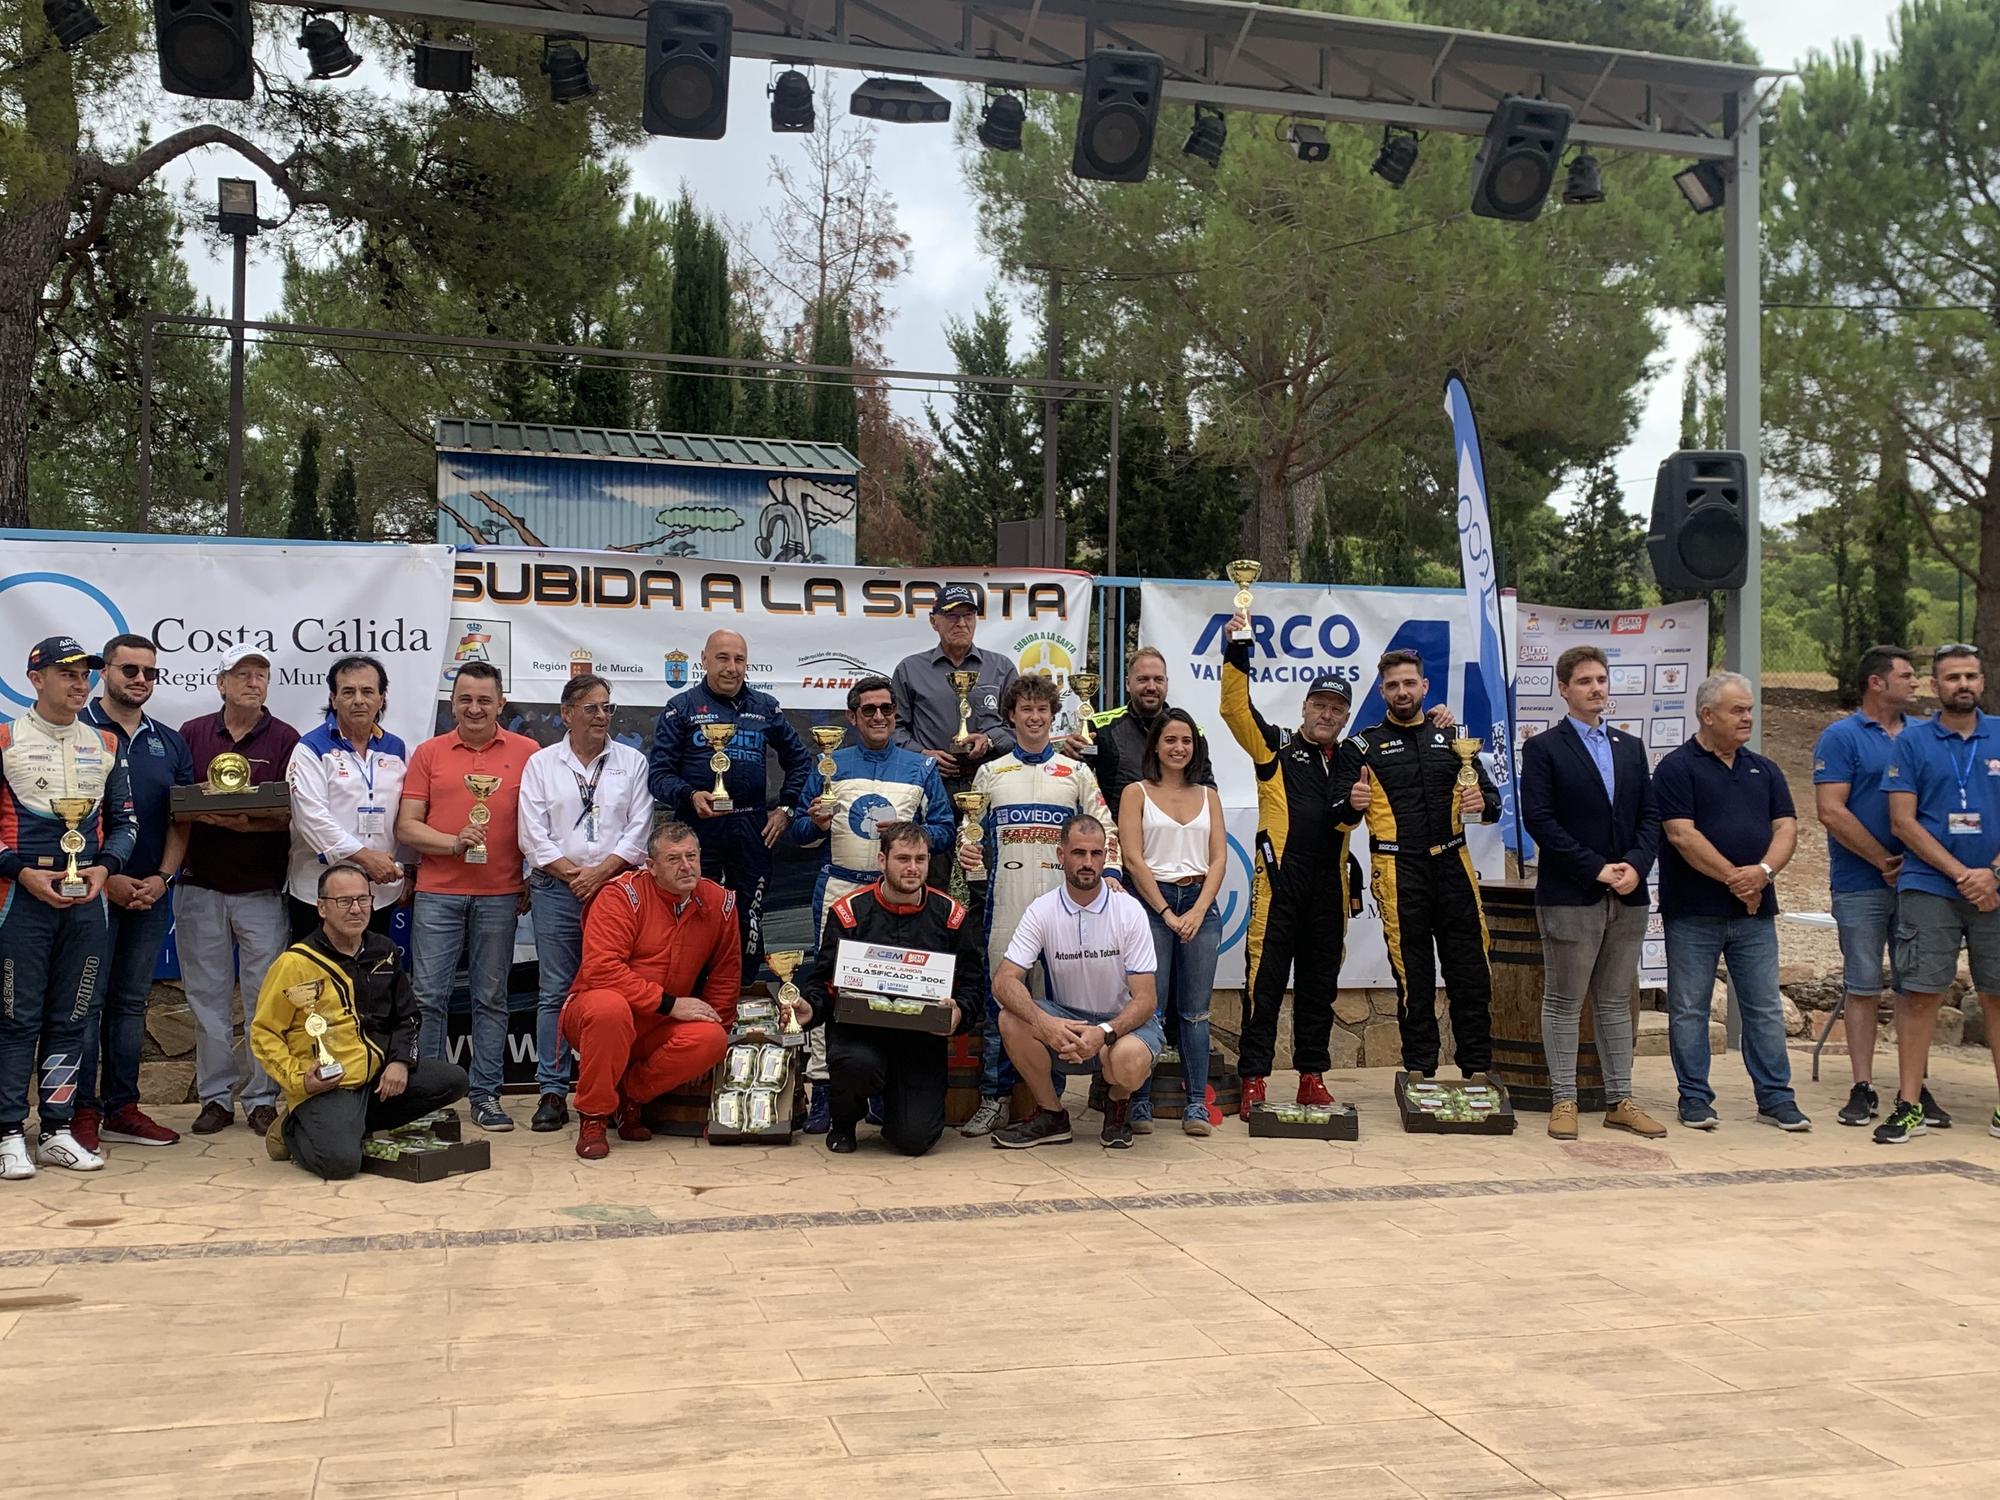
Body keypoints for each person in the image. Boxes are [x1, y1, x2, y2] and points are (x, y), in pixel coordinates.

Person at [788, 675, 954, 1132]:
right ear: (852, 716)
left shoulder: (920, 768)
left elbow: (944, 830)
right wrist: (816, 824)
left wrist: (906, 837)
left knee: (894, 987)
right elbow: (800, 831)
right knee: (826, 986)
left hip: (895, 896)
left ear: (896, 715)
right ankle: (824, 1088)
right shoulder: (829, 765)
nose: (879, 717)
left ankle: (885, 1087)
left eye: (886, 709)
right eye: (869, 710)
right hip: (840, 889)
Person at [958, 674, 1120, 1138]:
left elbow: (1104, 830)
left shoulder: (1077, 773)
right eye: (1025, 710)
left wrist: (1109, 876)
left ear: (1054, 716)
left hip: (1063, 911)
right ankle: (994, 1098)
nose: (1034, 718)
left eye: (1042, 710)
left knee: (1065, 1005)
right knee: (1000, 1006)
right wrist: (970, 857)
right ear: (1011, 715)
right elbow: (975, 835)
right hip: (1007, 907)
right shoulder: (992, 772)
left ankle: (1056, 1101)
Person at [0, 637, 138, 1179]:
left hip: (87, 902)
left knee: (73, 1019)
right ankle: (9, 1131)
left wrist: (102, 872)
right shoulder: (6, 737)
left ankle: (57, 1128)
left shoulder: (105, 744)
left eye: (86, 675)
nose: (80, 684)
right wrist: (23, 874)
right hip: (20, 900)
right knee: (15, 1019)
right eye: (67, 674)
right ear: (36, 679)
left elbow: (126, 824)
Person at [1330, 648, 1499, 1082]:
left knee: (1471, 972)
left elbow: (1492, 803)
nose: (1402, 692)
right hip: (1398, 870)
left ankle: (1477, 1070)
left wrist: (1481, 803)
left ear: (1424, 686)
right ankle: (1420, 1072)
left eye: (1409, 683)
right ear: (1382, 691)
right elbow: (1337, 818)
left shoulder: (1453, 736)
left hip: (1454, 864)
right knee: (1414, 978)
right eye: (1392, 685)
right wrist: (1352, 804)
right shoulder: (1360, 747)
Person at [1223, 616, 1370, 1117]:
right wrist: (1238, 649)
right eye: (1320, 705)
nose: (1327, 714)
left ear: (1345, 717)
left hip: (1330, 889)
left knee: (1318, 987)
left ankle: (1312, 1077)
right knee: (1263, 986)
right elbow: (1234, 708)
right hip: (1280, 886)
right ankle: (1254, 1080)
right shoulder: (1276, 747)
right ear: (1305, 707)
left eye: (1337, 709)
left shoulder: (1351, 757)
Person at [1519, 645, 1665, 1141]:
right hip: (1571, 894)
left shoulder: (1629, 746)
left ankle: (1620, 1099)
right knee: (1564, 1000)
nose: (1596, 688)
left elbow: (1650, 815)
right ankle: (1564, 1100)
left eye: (1601, 679)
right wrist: (1597, 868)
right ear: (1564, 689)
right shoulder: (1543, 748)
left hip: (1628, 894)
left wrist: (1635, 867)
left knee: (1615, 1001)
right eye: (1584, 681)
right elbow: (1541, 821)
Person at [1655, 671, 1808, 1131]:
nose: (1747, 718)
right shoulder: (1676, 768)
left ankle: (1777, 1099)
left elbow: (1787, 828)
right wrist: (1734, 878)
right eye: (1737, 710)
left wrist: (1760, 874)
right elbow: (1681, 834)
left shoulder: (1765, 769)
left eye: (1749, 710)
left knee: (1763, 1005)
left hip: (1755, 912)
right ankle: (1695, 1098)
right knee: (1689, 1006)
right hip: (1693, 913)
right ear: (1707, 715)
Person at [251, 864, 468, 1180]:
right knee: (340, 1165)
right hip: (328, 1083)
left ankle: (347, 1125)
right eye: (344, 902)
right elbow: (264, 1032)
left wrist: (401, 1062)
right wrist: (300, 1080)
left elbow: (407, 1016)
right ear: (322, 908)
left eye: (363, 900)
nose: (356, 909)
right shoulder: (295, 963)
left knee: (454, 1079)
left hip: (377, 1077)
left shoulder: (384, 950)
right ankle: (291, 1129)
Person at [396, 660, 537, 1134]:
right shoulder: (429, 753)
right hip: (438, 892)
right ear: (452, 703)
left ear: (501, 702)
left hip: (500, 893)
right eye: (464, 699)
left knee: (492, 999)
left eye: (484, 700)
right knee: (429, 997)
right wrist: (452, 842)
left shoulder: (528, 752)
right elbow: (407, 825)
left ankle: (486, 1097)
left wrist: (529, 880)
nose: (474, 708)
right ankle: (431, 1099)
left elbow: (539, 826)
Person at [797, 822, 982, 1155]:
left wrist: (959, 1012)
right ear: (882, 860)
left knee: (914, 1141)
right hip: (859, 1034)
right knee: (857, 1065)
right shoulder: (849, 912)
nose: (912, 868)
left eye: (920, 859)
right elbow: (824, 980)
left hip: (920, 1039)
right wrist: (810, 1009)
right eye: (903, 859)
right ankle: (844, 1121)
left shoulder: (951, 915)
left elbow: (971, 983)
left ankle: (896, 1108)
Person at [519, 673, 653, 1134]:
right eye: (592, 708)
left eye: (607, 708)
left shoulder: (631, 762)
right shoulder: (541, 764)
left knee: (616, 991)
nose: (602, 716)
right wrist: (572, 874)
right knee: (556, 989)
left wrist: (602, 873)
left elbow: (639, 827)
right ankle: (553, 1091)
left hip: (616, 890)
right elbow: (531, 833)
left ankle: (614, 1090)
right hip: (558, 889)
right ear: (566, 714)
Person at [74, 633, 193, 1152]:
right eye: (130, 670)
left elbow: (181, 818)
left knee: (128, 1004)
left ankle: (121, 1107)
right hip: (88, 892)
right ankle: (78, 1111)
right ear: (105, 672)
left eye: (150, 672)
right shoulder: (74, 732)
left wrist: (162, 877)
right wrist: (107, 876)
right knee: (83, 1003)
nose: (141, 680)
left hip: (150, 892)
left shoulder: (169, 740)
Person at [1877, 645, 2000, 1144]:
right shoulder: (1912, 742)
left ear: (1983, 682)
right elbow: (1902, 821)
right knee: (1920, 993)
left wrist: (1990, 873)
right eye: (1952, 677)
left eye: (1970, 675)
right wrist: (1961, 873)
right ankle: (1909, 1104)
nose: (1962, 684)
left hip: (1996, 887)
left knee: (1997, 994)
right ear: (1935, 686)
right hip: (1930, 884)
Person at [176, 644, 300, 1138]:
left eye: (261, 674)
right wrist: (204, 813)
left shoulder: (287, 738)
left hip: (263, 889)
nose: (253, 681)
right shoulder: (192, 733)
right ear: (221, 682)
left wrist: (244, 825)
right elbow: (177, 802)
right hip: (200, 884)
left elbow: (293, 814)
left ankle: (262, 1097)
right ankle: (214, 1098)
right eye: (242, 674)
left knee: (263, 999)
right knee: (206, 998)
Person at [560, 821, 739, 1161]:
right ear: (651, 867)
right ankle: (594, 1117)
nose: (686, 866)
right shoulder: (620, 895)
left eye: (691, 856)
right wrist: (668, 1003)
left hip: (658, 1023)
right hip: (596, 1013)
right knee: (608, 1008)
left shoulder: (720, 902)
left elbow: (725, 978)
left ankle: (630, 1098)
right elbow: (601, 970)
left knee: (711, 1037)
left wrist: (719, 1034)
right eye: (674, 859)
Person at [1813, 646, 1936, 1128]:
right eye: (1906, 676)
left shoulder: (1926, 735)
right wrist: (1881, 859)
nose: (1916, 684)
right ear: (1876, 683)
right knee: (1862, 985)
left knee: (1916, 988)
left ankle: (1914, 1090)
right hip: (1860, 883)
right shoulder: (1840, 737)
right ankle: (1862, 1087)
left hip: (1921, 884)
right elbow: (1831, 810)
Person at [989, 814, 1161, 1150]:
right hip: (1067, 1023)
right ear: (1061, 855)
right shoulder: (1042, 910)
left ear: (1105, 856)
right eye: (1079, 853)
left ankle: (1116, 1103)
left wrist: (1105, 1032)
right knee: (1010, 1018)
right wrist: (1046, 1024)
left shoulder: (1129, 910)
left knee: (1127, 1059)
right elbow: (1004, 981)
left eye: (1096, 854)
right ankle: (1052, 1115)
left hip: (1120, 1027)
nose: (1088, 863)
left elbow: (1146, 1000)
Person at [647, 629, 810, 978]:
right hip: (696, 830)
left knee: (748, 915)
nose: (731, 668)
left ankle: (745, 1002)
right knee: (693, 914)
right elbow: (658, 774)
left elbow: (800, 761)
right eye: (722, 658)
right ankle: (689, 997)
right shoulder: (682, 708)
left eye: (739, 659)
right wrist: (689, 795)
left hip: (751, 827)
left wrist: (786, 809)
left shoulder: (764, 708)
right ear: (704, 660)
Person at [1116, 708, 1226, 1136]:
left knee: (1195, 1012)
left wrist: (1198, 910)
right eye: (1170, 741)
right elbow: (1132, 858)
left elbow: (1218, 858)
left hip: (1201, 904)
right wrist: (1165, 911)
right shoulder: (1135, 792)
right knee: (1149, 1008)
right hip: (1151, 905)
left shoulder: (1209, 795)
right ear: (1156, 747)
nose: (1179, 748)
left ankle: (1197, 1104)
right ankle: (1139, 1101)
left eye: (1186, 741)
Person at [286, 655, 409, 941]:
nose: (358, 700)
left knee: (372, 981)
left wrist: (409, 867)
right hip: (319, 896)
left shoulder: (397, 748)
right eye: (348, 692)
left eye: (367, 691)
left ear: (382, 698)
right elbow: (311, 819)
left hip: (378, 894)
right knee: (318, 982)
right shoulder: (310, 748)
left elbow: (406, 814)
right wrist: (366, 859)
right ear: (333, 698)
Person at [891, 583, 1018, 795]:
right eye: (952, 616)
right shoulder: (910, 669)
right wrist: (922, 754)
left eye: (968, 615)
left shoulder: (1001, 667)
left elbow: (1021, 726)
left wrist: (990, 739)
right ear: (934, 621)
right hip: (930, 783)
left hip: (991, 782)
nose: (961, 624)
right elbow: (893, 728)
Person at [1091, 646, 1216, 810]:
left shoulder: (1193, 733)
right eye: (1143, 679)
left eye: (1158, 679)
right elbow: (1080, 781)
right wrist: (1071, 755)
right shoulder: (1100, 727)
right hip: (1119, 831)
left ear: (1167, 683)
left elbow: (1206, 789)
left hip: (1174, 830)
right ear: (1128, 683)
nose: (1151, 687)